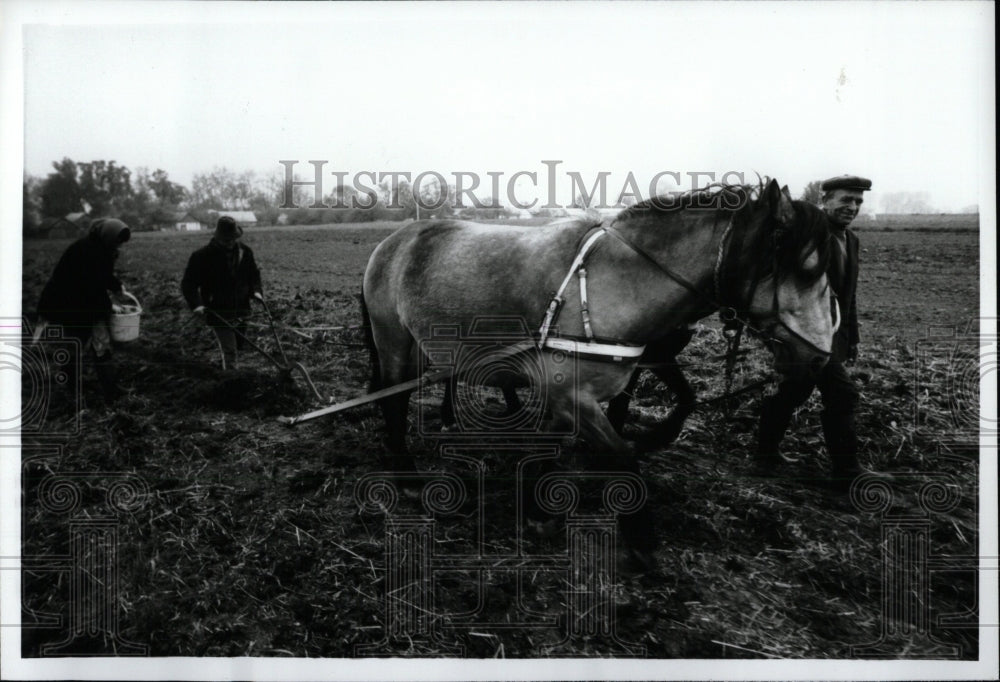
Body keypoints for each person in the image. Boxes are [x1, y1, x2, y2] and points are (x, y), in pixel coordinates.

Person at [754, 175, 872, 489]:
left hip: (833, 335)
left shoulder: (851, 240)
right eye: (845, 199)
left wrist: (852, 336)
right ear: (825, 200)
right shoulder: (807, 236)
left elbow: (849, 296)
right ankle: (846, 470)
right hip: (804, 334)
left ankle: (764, 454)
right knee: (843, 395)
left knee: (795, 391)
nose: (852, 207)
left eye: (858, 201)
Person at [36, 217, 132, 401]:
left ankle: (111, 389)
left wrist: (117, 286)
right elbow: (89, 283)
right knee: (75, 345)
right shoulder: (84, 250)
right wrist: (110, 305)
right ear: (108, 236)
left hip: (87, 302)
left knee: (101, 344)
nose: (119, 246)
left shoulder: (102, 248)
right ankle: (73, 390)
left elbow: (103, 275)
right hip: (69, 305)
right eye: (117, 241)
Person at [181, 216, 263, 369]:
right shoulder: (202, 256)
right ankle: (231, 379)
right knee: (229, 349)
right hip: (218, 309)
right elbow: (188, 284)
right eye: (226, 240)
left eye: (233, 239)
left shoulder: (245, 252)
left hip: (242, 307)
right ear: (217, 237)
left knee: (238, 345)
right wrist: (197, 305)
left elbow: (254, 275)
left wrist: (257, 292)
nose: (230, 243)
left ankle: (232, 369)